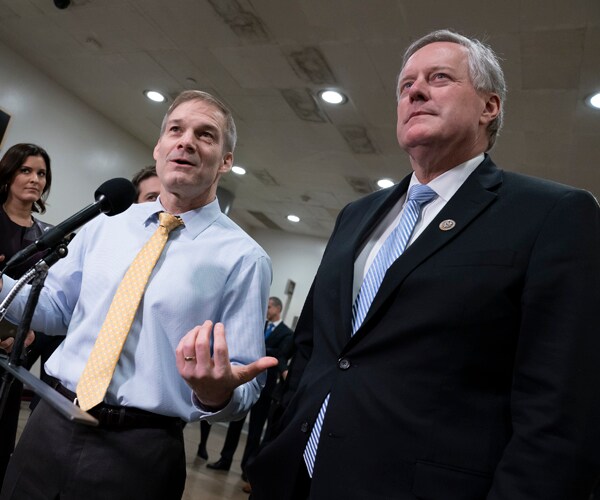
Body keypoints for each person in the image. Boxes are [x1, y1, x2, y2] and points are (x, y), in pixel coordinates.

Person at [247, 29, 600, 499]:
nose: (414, 90)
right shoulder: (357, 216)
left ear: (489, 107)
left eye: (438, 78)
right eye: (405, 85)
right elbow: (317, 348)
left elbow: (559, 412)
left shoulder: (551, 215)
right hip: (296, 478)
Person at [0, 90, 277, 500]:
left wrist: (216, 391)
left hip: (139, 452)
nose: (186, 141)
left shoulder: (244, 259)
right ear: (159, 147)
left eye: (205, 135)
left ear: (226, 161)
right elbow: (55, 308)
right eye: (175, 130)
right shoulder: (106, 223)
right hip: (48, 424)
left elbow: (244, 385)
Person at [0, 143, 63, 491]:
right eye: (26, 170)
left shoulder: (47, 238)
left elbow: (48, 301)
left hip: (14, 360)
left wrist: (29, 335)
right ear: (9, 174)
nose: (35, 179)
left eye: (41, 173)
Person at [205, 297, 294, 480]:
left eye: (269, 306)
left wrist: (259, 349)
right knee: (235, 424)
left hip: (266, 388)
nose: (266, 309)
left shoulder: (286, 333)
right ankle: (225, 459)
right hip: (246, 381)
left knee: (255, 430)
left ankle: (248, 468)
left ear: (278, 308)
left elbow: (281, 354)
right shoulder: (259, 327)